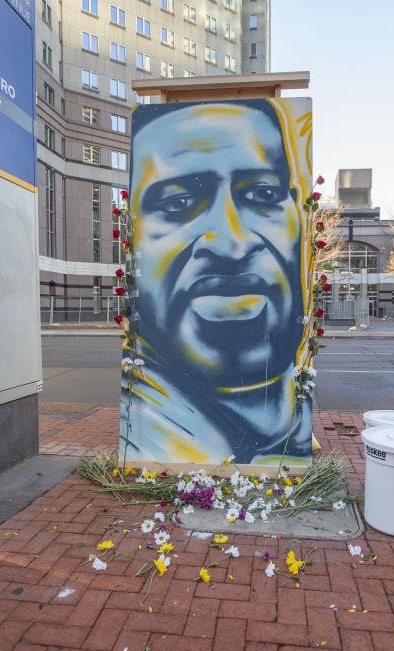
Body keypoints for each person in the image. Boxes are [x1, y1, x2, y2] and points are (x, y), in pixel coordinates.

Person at [121, 99, 313, 465]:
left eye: (263, 194)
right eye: (177, 203)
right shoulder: (149, 444)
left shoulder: (293, 422)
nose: (231, 244)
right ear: (132, 234)